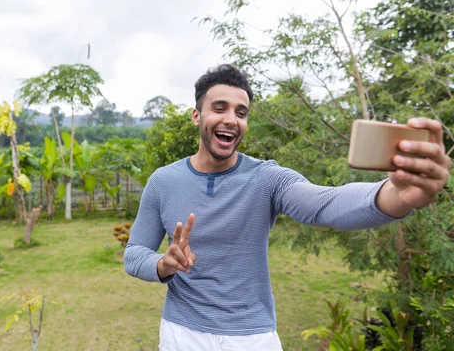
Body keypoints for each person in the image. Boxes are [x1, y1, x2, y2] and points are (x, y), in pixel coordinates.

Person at [124, 64, 451, 351]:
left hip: (252, 336)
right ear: (197, 116)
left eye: (241, 112)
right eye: (219, 108)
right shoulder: (163, 181)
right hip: (183, 333)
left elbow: (326, 203)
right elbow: (135, 252)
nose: (231, 120)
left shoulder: (266, 178)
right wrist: (163, 264)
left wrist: (398, 196)